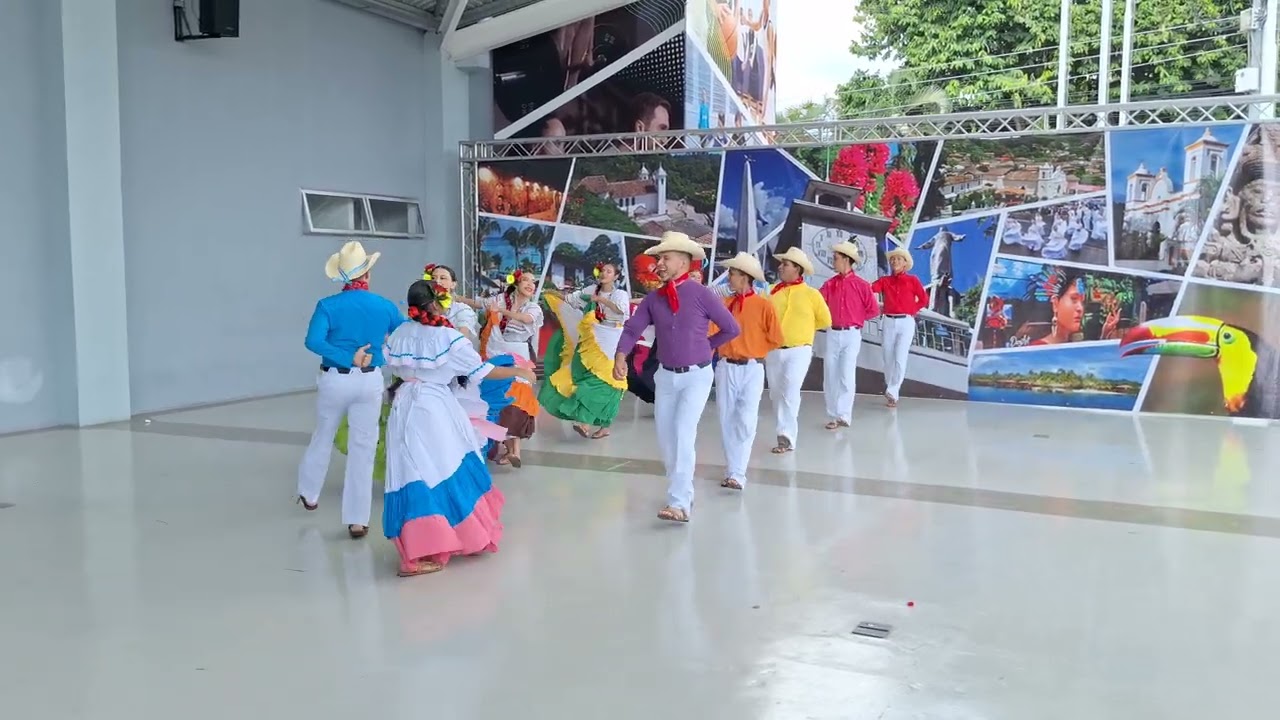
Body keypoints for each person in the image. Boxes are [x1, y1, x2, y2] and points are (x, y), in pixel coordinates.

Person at [382, 280, 536, 577]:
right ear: (439, 303)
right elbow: (483, 371)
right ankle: (439, 541)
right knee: (444, 468)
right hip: (433, 408)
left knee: (410, 471)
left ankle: (424, 543)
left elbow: (391, 364)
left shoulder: (400, 333)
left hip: (404, 407)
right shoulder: (448, 338)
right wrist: (518, 370)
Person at [613, 232, 740, 522]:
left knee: (683, 433)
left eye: (664, 258)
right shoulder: (654, 299)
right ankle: (683, 490)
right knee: (666, 439)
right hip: (665, 377)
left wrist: (705, 347)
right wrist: (621, 355)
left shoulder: (701, 294)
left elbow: (731, 328)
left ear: (683, 262)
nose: (658, 263)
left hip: (697, 376)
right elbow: (633, 330)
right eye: (658, 258)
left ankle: (679, 502)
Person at [297, 240, 404, 539]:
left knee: (323, 434)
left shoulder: (327, 306)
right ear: (367, 275)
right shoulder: (384, 306)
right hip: (370, 380)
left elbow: (313, 341)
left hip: (335, 377)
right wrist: (379, 353)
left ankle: (310, 493)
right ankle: (358, 520)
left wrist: (346, 356)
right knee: (364, 446)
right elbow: (403, 335)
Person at [711, 253, 782, 491]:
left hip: (752, 368)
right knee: (726, 418)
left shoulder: (763, 305)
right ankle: (733, 469)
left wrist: (753, 348)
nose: (728, 278)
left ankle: (738, 472)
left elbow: (775, 338)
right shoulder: (724, 305)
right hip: (726, 366)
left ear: (744, 277)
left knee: (746, 419)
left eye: (732, 274)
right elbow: (710, 333)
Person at [462, 270, 544, 467]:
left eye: (533, 282)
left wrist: (501, 312)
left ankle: (515, 450)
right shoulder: (500, 299)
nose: (530, 285)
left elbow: (526, 320)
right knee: (499, 396)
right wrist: (456, 297)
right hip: (496, 352)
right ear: (516, 283)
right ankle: (507, 448)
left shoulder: (534, 307)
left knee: (517, 398)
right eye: (526, 280)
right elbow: (480, 304)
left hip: (519, 354)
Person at [541, 262, 631, 439]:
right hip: (593, 336)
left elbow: (622, 312)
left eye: (609, 271)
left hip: (612, 337)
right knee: (587, 376)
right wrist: (554, 295)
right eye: (602, 270)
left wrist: (602, 300)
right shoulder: (592, 290)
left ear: (616, 276)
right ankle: (595, 423)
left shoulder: (619, 294)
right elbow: (571, 300)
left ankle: (591, 422)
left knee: (607, 378)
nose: (604, 274)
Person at [765, 247, 831, 454]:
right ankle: (783, 430)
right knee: (776, 393)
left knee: (790, 389)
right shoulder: (772, 292)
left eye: (785, 264)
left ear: (797, 269)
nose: (780, 267)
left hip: (799, 350)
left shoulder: (812, 295)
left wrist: (803, 331)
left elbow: (825, 320)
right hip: (774, 350)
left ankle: (786, 435)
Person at [819, 241, 879, 429]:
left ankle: (843, 414)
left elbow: (873, 310)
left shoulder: (862, 285)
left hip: (852, 334)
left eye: (836, 258)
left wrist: (857, 319)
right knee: (830, 373)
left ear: (846, 260)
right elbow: (818, 305)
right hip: (833, 332)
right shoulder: (830, 284)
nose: (833, 261)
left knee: (846, 373)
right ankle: (832, 415)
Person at [872, 247, 928, 408]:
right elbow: (870, 289)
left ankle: (894, 389)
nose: (895, 261)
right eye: (893, 259)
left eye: (899, 259)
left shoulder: (913, 280)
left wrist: (912, 310)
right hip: (888, 321)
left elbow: (923, 299)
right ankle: (891, 390)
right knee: (887, 356)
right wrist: (877, 305)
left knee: (900, 356)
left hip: (906, 322)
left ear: (905, 263)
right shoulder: (885, 281)